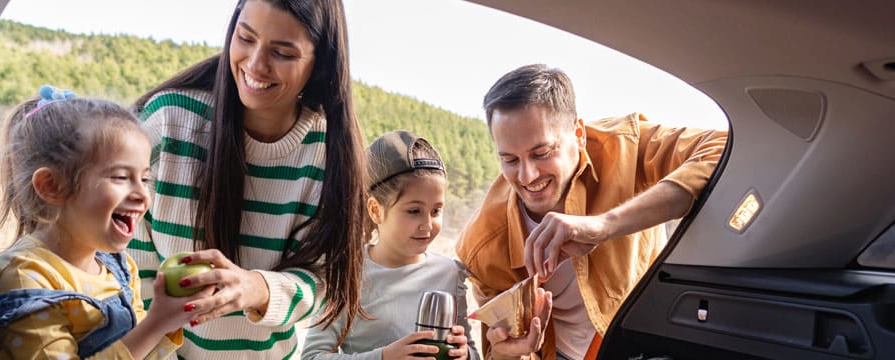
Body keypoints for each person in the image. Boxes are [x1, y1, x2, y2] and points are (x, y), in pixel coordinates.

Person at [127, 0, 369, 358]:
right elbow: (128, 272)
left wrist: (254, 288)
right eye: (245, 38)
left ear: (319, 64)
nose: (256, 64)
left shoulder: (326, 152)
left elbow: (320, 282)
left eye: (283, 53)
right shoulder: (169, 122)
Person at [456, 64, 728, 360]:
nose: (527, 175)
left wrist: (605, 225)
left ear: (579, 134)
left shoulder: (625, 146)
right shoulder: (480, 246)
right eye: (509, 160)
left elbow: (720, 149)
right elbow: (495, 354)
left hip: (649, 335)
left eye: (542, 153)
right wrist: (509, 352)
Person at [0, 86, 209, 359]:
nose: (142, 195)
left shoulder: (119, 267)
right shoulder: (26, 276)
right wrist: (157, 323)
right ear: (52, 185)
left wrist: (170, 316)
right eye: (120, 177)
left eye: (144, 178)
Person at [302, 131, 480, 360]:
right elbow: (312, 356)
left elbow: (473, 353)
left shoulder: (449, 274)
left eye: (436, 211)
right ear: (376, 210)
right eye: (414, 211)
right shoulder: (346, 275)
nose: (427, 225)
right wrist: (384, 357)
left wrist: (464, 354)